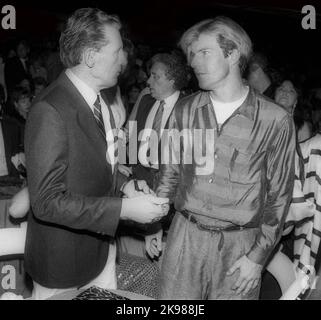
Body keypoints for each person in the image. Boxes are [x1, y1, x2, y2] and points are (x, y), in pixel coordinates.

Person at [146, 16, 296, 300]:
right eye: (192, 55)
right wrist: (153, 223)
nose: (193, 62)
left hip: (241, 244)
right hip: (184, 236)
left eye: (204, 53)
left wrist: (258, 257)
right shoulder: (185, 110)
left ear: (233, 54)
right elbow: (169, 174)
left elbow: (279, 197)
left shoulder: (275, 120)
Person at [24, 8, 168, 300]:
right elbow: (47, 203)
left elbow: (100, 167)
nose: (123, 59)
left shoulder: (98, 101)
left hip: (100, 253)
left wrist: (126, 187)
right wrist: (125, 210)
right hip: (63, 265)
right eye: (116, 51)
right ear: (90, 56)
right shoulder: (49, 109)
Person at [119, 53, 189, 257]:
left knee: (162, 255)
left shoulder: (189, 109)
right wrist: (124, 163)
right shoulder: (146, 101)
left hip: (168, 195)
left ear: (172, 80)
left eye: (155, 76)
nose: (148, 81)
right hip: (137, 186)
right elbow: (133, 139)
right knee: (132, 251)